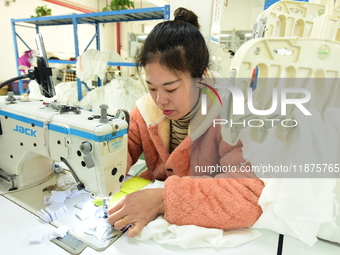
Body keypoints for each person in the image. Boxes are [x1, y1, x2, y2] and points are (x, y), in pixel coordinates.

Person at [107, 7, 264, 238]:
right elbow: (120, 152)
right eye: (151, 88)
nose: (160, 100)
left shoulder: (229, 114)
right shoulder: (145, 112)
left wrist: (164, 200)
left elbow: (248, 195)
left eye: (170, 88)